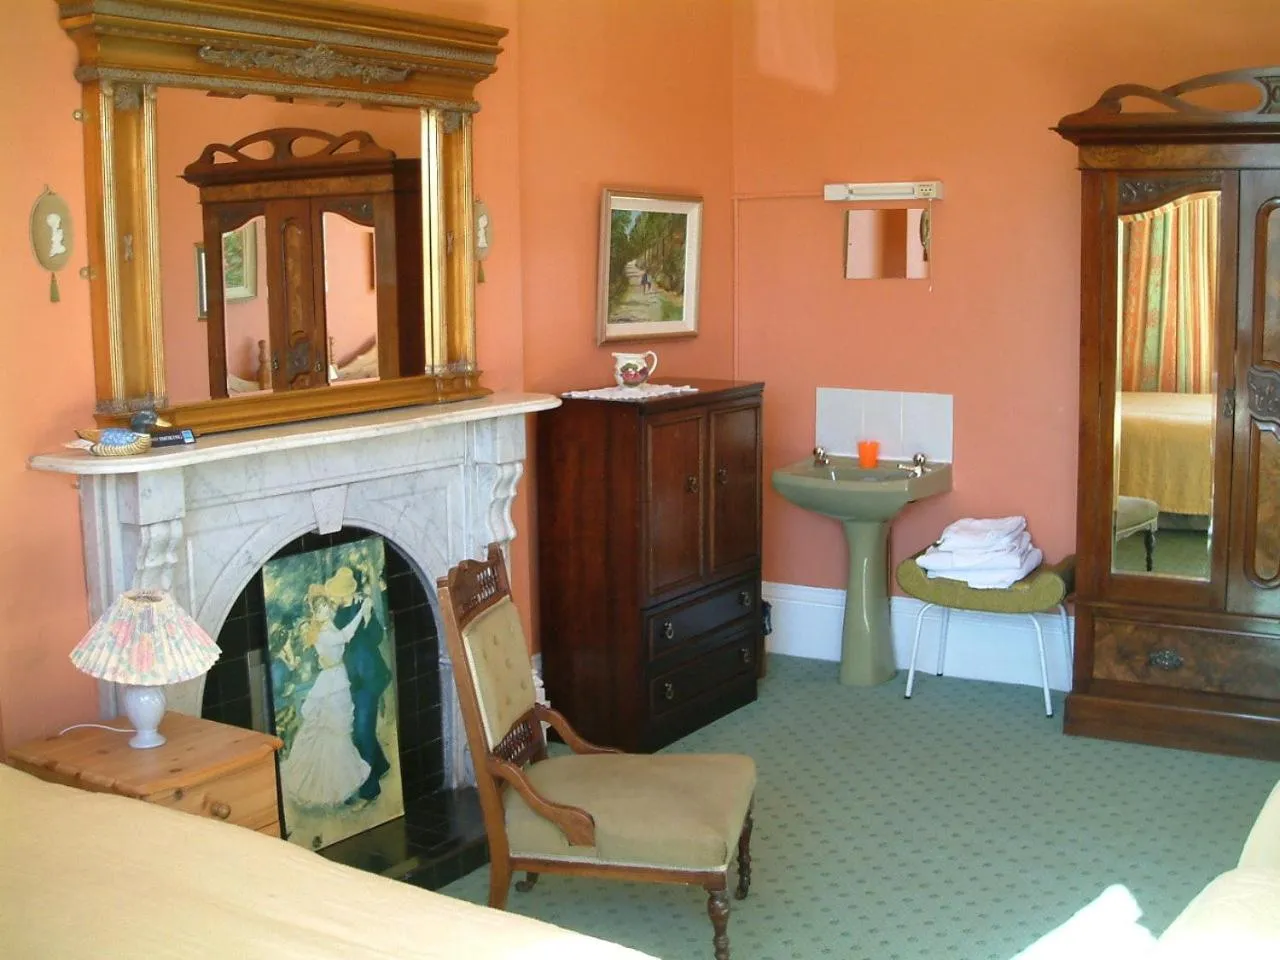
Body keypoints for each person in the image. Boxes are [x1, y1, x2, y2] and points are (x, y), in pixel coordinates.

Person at [279, 568, 373, 807]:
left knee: (340, 731)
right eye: (321, 609)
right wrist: (362, 611)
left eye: (327, 607)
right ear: (315, 613)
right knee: (336, 731)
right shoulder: (322, 633)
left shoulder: (328, 626)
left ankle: (342, 782)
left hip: (336, 678)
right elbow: (346, 636)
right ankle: (335, 786)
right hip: (332, 682)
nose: (327, 610)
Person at [340, 564, 393, 802]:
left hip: (370, 678)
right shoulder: (338, 614)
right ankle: (380, 766)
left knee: (362, 731)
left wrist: (370, 617)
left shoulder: (365, 607)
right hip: (349, 680)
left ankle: (369, 789)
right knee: (359, 730)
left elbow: (376, 638)